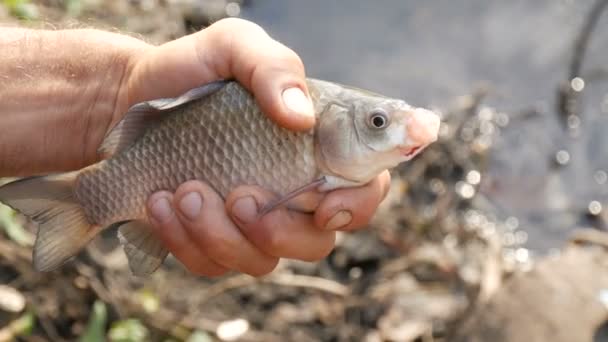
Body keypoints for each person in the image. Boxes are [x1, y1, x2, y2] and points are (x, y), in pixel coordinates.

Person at [0, 18, 391, 277]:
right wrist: (114, 93)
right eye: (377, 122)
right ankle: (83, 203)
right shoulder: (308, 120)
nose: (386, 133)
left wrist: (117, 89)